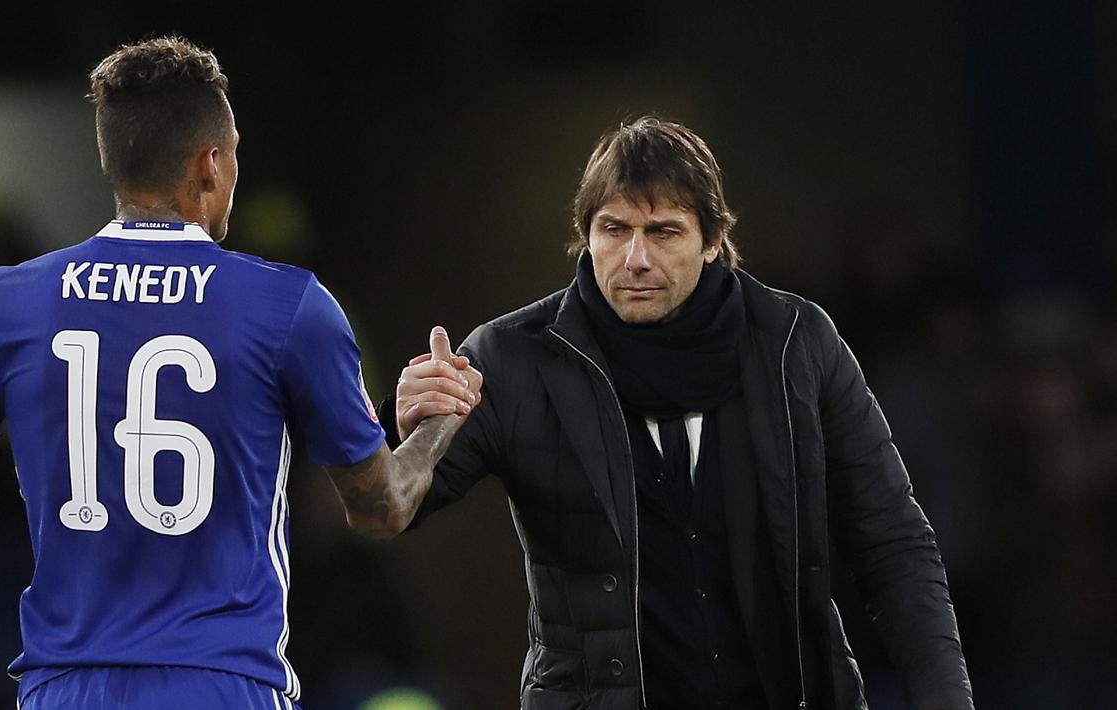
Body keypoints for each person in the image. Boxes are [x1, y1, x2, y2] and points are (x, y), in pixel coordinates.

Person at [0, 37, 480, 710]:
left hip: (66, 691)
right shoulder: (289, 306)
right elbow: (380, 509)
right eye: (233, 151)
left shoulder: (4, 302)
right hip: (221, 687)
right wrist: (438, 425)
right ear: (210, 163)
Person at [391, 117, 973, 709]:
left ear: (714, 239)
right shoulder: (512, 359)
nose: (636, 258)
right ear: (584, 235)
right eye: (613, 230)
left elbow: (893, 545)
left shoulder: (796, 343)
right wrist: (408, 425)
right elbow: (391, 504)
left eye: (664, 232)